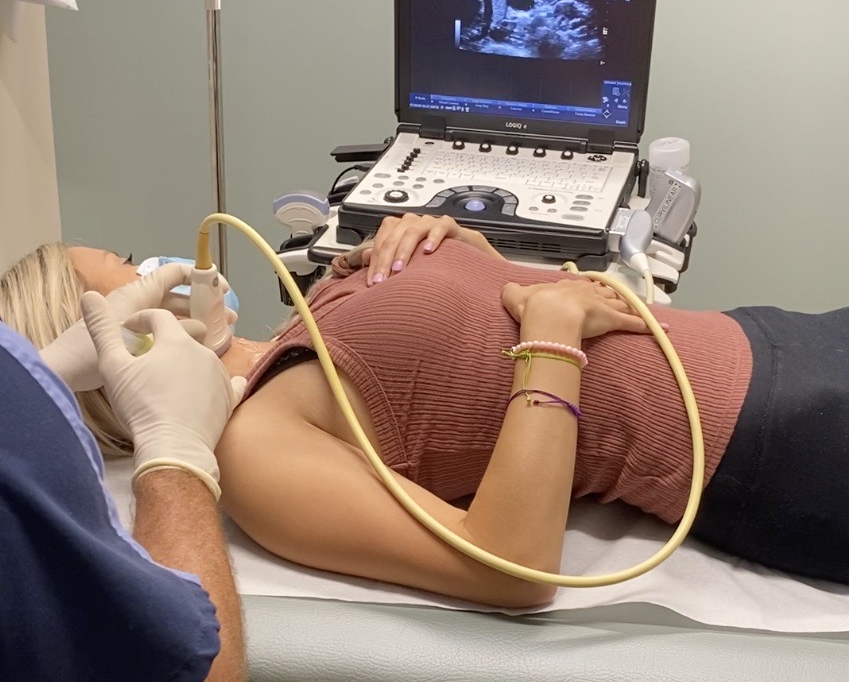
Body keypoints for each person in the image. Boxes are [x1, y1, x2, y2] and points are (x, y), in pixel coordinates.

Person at [2, 213, 847, 608]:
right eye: (122, 261)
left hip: (767, 339)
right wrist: (553, 332)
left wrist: (470, 256)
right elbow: (506, 565)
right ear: (120, 348)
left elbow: (470, 350)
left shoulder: (308, 314)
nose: (153, 257)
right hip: (779, 441)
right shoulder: (261, 450)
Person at [0, 261, 247, 680]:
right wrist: (176, 456)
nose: (151, 269)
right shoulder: (254, 447)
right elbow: (191, 663)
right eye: (128, 265)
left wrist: (45, 370)